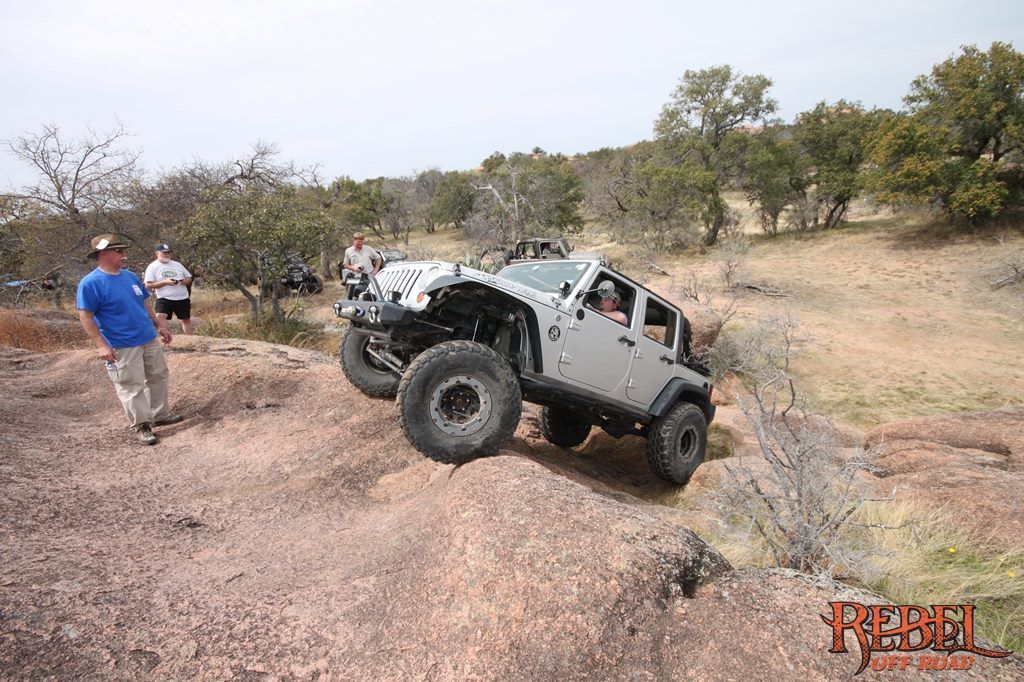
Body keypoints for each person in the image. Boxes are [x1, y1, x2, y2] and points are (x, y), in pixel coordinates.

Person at [77, 234, 183, 446]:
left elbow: (144, 303)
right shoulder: (90, 283)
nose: (124, 255)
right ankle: (142, 425)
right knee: (130, 385)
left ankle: (160, 414)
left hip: (147, 337)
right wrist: (101, 345)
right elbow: (85, 316)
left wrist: (159, 325)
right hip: (121, 343)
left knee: (158, 375)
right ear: (103, 254)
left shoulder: (130, 277)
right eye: (119, 251)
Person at [144, 243, 194, 335]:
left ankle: (191, 338)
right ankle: (167, 337)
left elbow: (189, 278)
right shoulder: (152, 267)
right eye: (164, 253)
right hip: (164, 297)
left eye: (169, 252)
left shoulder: (177, 265)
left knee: (186, 319)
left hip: (182, 297)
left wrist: (184, 281)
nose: (167, 255)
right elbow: (148, 285)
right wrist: (165, 282)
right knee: (160, 316)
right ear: (157, 253)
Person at [341, 232, 382, 297]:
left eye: (361, 242)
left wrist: (375, 270)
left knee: (370, 296)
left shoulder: (368, 249)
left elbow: (378, 258)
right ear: (354, 241)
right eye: (358, 242)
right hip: (356, 278)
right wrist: (353, 268)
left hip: (369, 277)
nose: (360, 243)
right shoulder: (348, 251)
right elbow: (345, 265)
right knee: (355, 296)